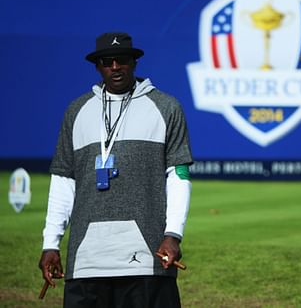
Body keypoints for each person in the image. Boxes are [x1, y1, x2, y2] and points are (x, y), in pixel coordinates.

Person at [38, 32, 193, 307]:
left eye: (121, 59)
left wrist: (173, 235)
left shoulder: (167, 108)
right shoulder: (76, 112)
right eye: (106, 61)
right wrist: (51, 243)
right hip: (87, 261)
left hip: (147, 260)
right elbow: (63, 180)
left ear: (133, 62)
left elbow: (179, 177)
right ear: (97, 66)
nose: (115, 67)